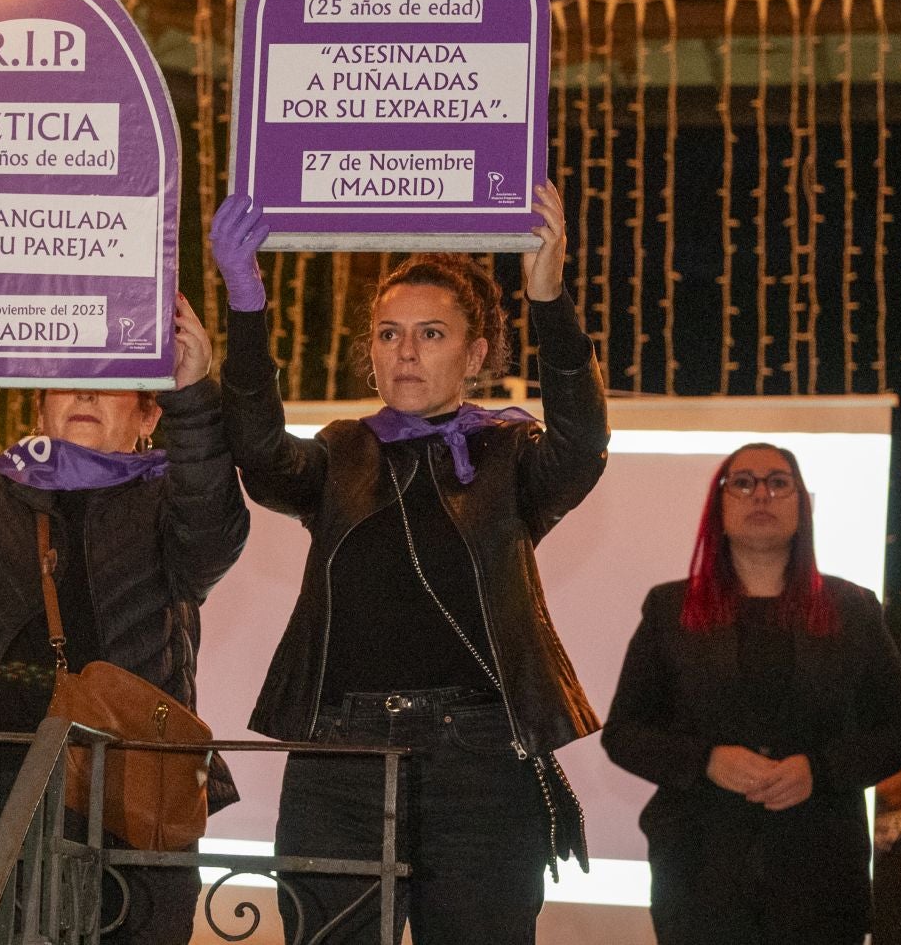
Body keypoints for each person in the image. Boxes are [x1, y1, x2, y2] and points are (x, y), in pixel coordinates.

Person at [210, 182, 607, 945]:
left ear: (477, 351)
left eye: (431, 333)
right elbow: (259, 457)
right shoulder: (341, 449)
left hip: (483, 762)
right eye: (389, 333)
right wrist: (246, 299)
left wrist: (549, 297)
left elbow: (584, 443)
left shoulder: (511, 454)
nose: (406, 351)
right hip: (342, 755)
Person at [0, 295, 249, 945]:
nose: (83, 391)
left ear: (147, 412)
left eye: (110, 381)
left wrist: (195, 394)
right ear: (42, 404)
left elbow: (215, 534)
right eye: (67, 377)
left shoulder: (171, 503)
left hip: (130, 792)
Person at [603, 443, 901, 945]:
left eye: (778, 482)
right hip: (700, 868)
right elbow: (624, 734)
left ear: (802, 505)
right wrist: (705, 760)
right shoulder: (671, 609)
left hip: (821, 873)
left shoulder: (853, 608)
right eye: (743, 482)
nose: (761, 494)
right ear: (720, 505)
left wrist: (820, 771)